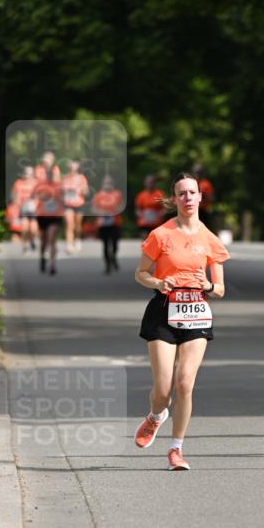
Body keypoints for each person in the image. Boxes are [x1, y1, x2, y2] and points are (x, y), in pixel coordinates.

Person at [134, 172, 230, 471]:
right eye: (182, 193)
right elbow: (140, 274)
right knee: (163, 388)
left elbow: (221, 289)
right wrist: (159, 281)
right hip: (163, 310)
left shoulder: (210, 240)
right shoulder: (160, 235)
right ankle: (155, 416)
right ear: (174, 199)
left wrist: (208, 286)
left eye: (193, 192)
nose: (188, 198)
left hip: (197, 313)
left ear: (201, 197)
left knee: (185, 384)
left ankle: (176, 449)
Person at [34, 153, 63, 275]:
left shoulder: (59, 186)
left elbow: (64, 198)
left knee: (52, 239)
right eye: (49, 174)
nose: (51, 175)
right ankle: (42, 257)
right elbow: (33, 196)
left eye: (53, 174)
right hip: (42, 214)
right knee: (43, 240)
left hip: (55, 215)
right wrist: (42, 196)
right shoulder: (40, 185)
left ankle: (52, 265)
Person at [92, 175, 123, 273]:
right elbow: (93, 209)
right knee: (105, 245)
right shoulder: (98, 195)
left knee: (114, 244)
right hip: (103, 224)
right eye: (106, 183)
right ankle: (107, 265)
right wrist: (101, 212)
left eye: (110, 182)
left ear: (113, 184)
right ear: (102, 184)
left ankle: (113, 257)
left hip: (115, 222)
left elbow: (121, 206)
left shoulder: (117, 194)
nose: (108, 185)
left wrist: (115, 210)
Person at [61, 160, 89, 253]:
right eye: (70, 167)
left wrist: (83, 190)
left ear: (77, 168)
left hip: (79, 204)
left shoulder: (81, 178)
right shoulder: (64, 178)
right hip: (68, 205)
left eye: (74, 167)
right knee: (69, 224)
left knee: (77, 225)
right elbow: (60, 192)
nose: (72, 169)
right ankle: (69, 245)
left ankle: (77, 239)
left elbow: (86, 192)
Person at [11, 166, 39, 251]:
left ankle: (32, 240)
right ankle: (24, 245)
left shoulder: (36, 183)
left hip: (34, 209)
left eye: (29, 173)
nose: (27, 175)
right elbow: (13, 195)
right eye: (26, 173)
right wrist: (16, 202)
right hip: (22, 208)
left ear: (32, 174)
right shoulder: (18, 183)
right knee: (24, 228)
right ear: (23, 173)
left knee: (33, 229)